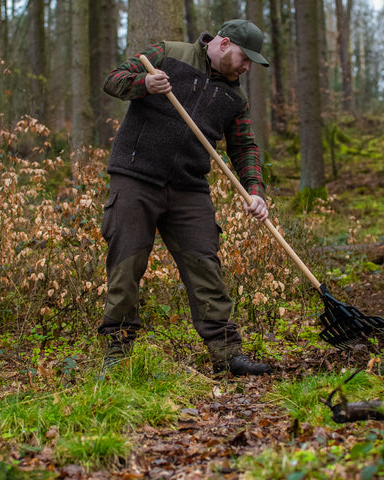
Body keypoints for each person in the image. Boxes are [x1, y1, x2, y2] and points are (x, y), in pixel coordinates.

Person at [98, 19, 273, 376]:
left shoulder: (234, 97)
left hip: (189, 188)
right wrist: (144, 83)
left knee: (206, 266)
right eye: (244, 58)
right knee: (126, 267)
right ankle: (117, 355)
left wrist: (255, 191)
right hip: (135, 178)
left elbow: (245, 148)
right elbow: (113, 79)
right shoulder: (167, 54)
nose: (246, 67)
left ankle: (227, 355)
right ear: (224, 44)